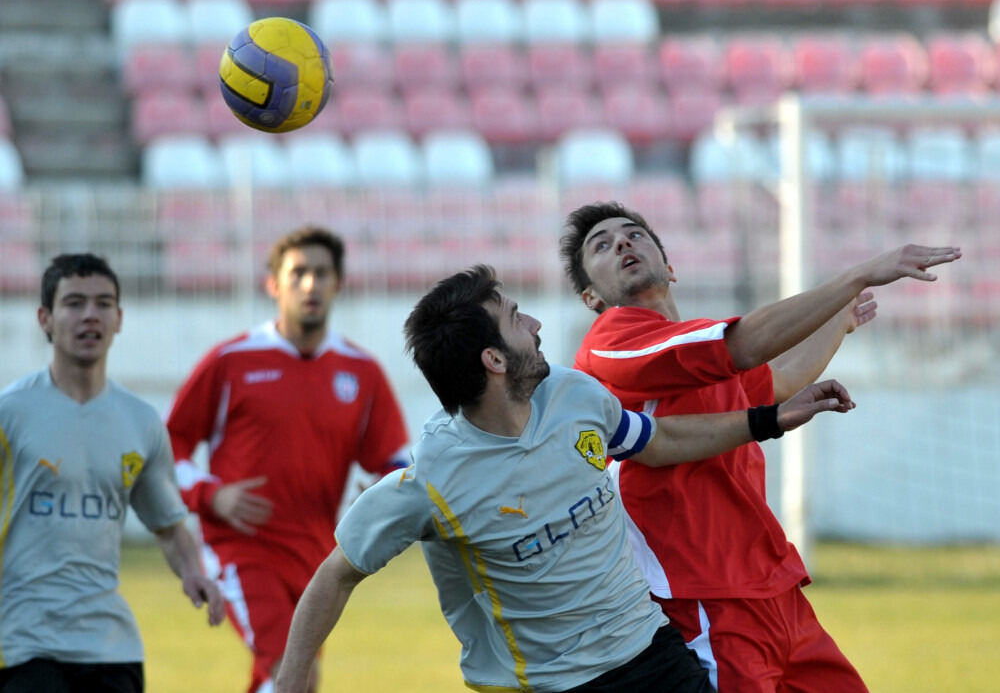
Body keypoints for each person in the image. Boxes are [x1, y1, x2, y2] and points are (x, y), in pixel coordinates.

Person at [274, 264, 857, 693]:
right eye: (512, 317)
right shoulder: (433, 479)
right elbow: (335, 576)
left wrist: (770, 420)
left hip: (652, 653)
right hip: (551, 686)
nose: (532, 322)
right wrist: (294, 681)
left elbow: (658, 444)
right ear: (494, 361)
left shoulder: (574, 396)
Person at [559, 201, 962, 693]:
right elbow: (744, 345)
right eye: (601, 245)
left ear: (671, 266)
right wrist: (858, 275)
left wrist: (840, 321)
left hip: (774, 587)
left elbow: (778, 381)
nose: (622, 242)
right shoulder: (610, 343)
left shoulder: (694, 348)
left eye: (634, 234)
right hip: (701, 595)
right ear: (590, 297)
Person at [166, 226, 410, 693]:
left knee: (284, 678)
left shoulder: (361, 372)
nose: (310, 285)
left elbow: (394, 462)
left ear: (338, 283)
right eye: (297, 273)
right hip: (240, 548)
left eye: (321, 274)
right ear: (273, 284)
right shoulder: (231, 360)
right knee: (290, 669)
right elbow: (166, 446)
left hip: (318, 556)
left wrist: (383, 491)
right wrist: (209, 495)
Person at [0, 253, 225, 693]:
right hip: (24, 639)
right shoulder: (11, 413)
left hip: (112, 646)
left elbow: (169, 525)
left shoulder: (140, 422)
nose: (90, 315)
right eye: (74, 303)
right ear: (45, 318)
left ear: (119, 318)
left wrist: (193, 572)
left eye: (103, 303)